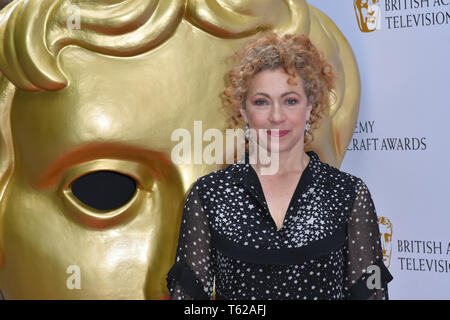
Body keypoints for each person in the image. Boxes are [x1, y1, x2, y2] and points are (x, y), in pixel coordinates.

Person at [169, 31, 393, 300]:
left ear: (310, 106)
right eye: (262, 102)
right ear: (243, 111)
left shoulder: (347, 193)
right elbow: (189, 298)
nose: (276, 116)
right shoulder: (210, 194)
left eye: (290, 101)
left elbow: (371, 291)